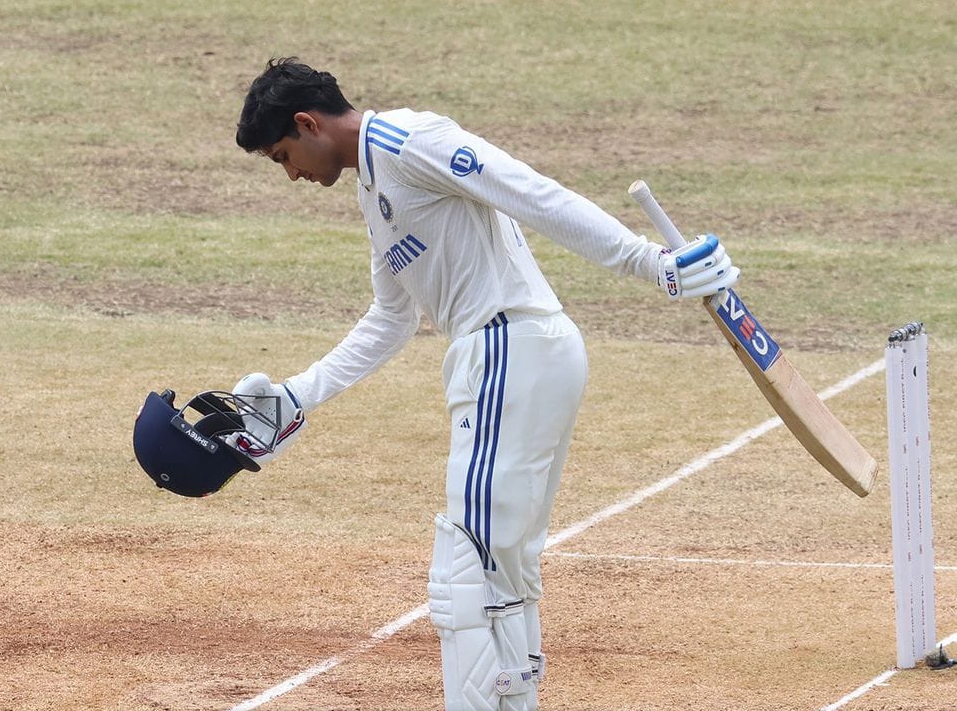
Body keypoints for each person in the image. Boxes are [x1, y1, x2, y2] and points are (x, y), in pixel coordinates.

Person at [232, 57, 739, 711]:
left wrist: (649, 263)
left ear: (308, 123)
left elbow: (528, 190)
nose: (293, 174)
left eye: (283, 156)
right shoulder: (373, 186)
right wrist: (295, 397)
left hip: (507, 351)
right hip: (520, 356)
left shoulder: (409, 141)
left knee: (464, 573)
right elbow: (391, 318)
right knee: (501, 574)